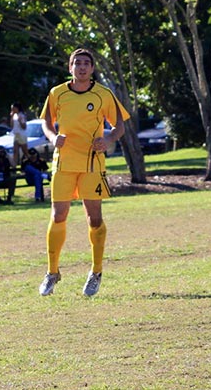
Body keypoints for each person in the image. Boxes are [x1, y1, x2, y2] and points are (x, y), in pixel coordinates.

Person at [38, 48, 129, 297]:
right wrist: (53, 137)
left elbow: (119, 124)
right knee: (58, 215)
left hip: (92, 164)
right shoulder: (57, 93)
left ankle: (96, 272)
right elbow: (46, 123)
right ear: (70, 68)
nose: (81, 67)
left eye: (86, 63)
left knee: (94, 219)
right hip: (64, 163)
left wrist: (109, 138)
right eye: (77, 63)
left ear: (92, 68)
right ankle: (52, 272)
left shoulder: (103, 94)